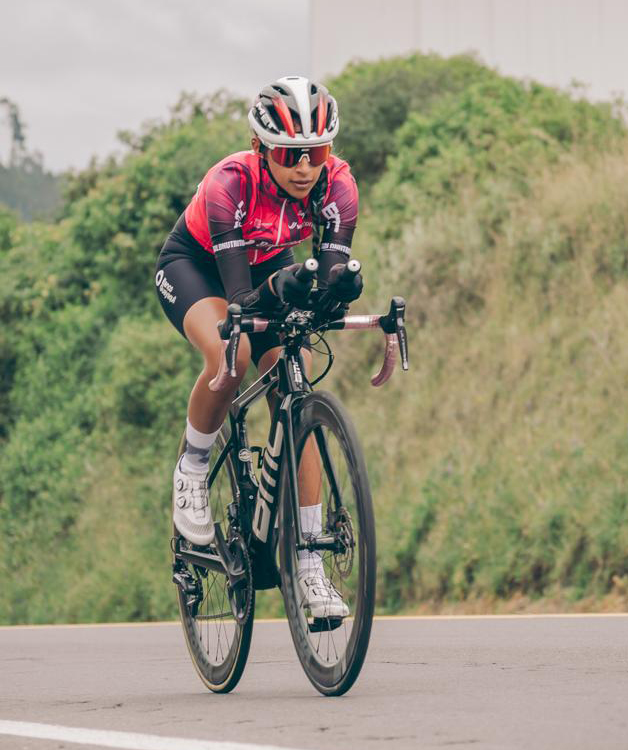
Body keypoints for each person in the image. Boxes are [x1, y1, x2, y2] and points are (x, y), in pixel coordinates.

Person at [155, 76, 362, 617]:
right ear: (259, 149)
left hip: (268, 261)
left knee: (298, 380)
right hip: (199, 264)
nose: (303, 167)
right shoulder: (229, 183)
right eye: (288, 154)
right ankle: (194, 469)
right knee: (235, 354)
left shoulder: (337, 184)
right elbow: (241, 295)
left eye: (315, 152)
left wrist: (339, 290)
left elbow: (333, 267)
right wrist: (270, 295)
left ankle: (311, 566)